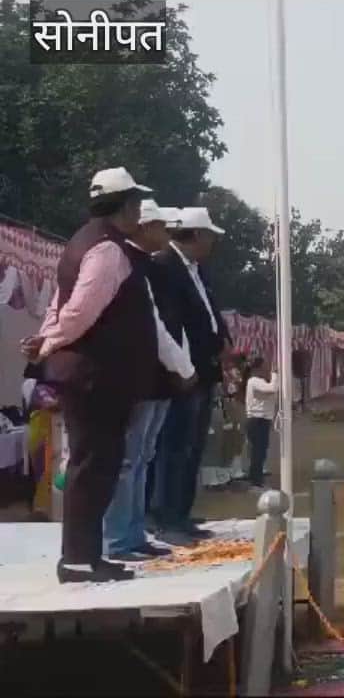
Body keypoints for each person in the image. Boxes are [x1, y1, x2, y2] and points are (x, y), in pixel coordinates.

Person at [21, 168, 165, 582]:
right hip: (95, 376)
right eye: (136, 203)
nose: (139, 211)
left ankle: (84, 556)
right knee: (94, 467)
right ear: (125, 206)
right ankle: (79, 560)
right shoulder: (108, 250)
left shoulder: (86, 241)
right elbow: (81, 310)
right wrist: (50, 342)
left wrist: (47, 336)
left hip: (93, 376)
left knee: (95, 465)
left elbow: (61, 304)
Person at [101, 199, 196, 562]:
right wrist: (182, 366)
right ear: (143, 228)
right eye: (159, 227)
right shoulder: (128, 263)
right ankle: (118, 539)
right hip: (143, 374)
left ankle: (134, 532)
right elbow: (152, 327)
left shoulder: (150, 266)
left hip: (160, 374)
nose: (166, 234)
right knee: (129, 461)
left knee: (143, 457)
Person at [152, 207, 231, 546]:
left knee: (193, 447)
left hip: (205, 368)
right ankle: (165, 517)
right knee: (174, 447)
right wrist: (183, 366)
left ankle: (181, 513)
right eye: (210, 236)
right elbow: (171, 322)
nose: (213, 243)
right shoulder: (165, 266)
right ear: (196, 234)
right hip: (184, 370)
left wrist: (222, 340)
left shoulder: (197, 269)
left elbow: (210, 312)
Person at [243, 356, 279, 489]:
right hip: (256, 420)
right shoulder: (254, 381)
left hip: (263, 420)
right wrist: (275, 374)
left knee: (261, 450)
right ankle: (255, 481)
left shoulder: (262, 381)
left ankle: (257, 478)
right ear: (258, 368)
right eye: (265, 366)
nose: (267, 369)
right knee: (257, 451)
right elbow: (271, 389)